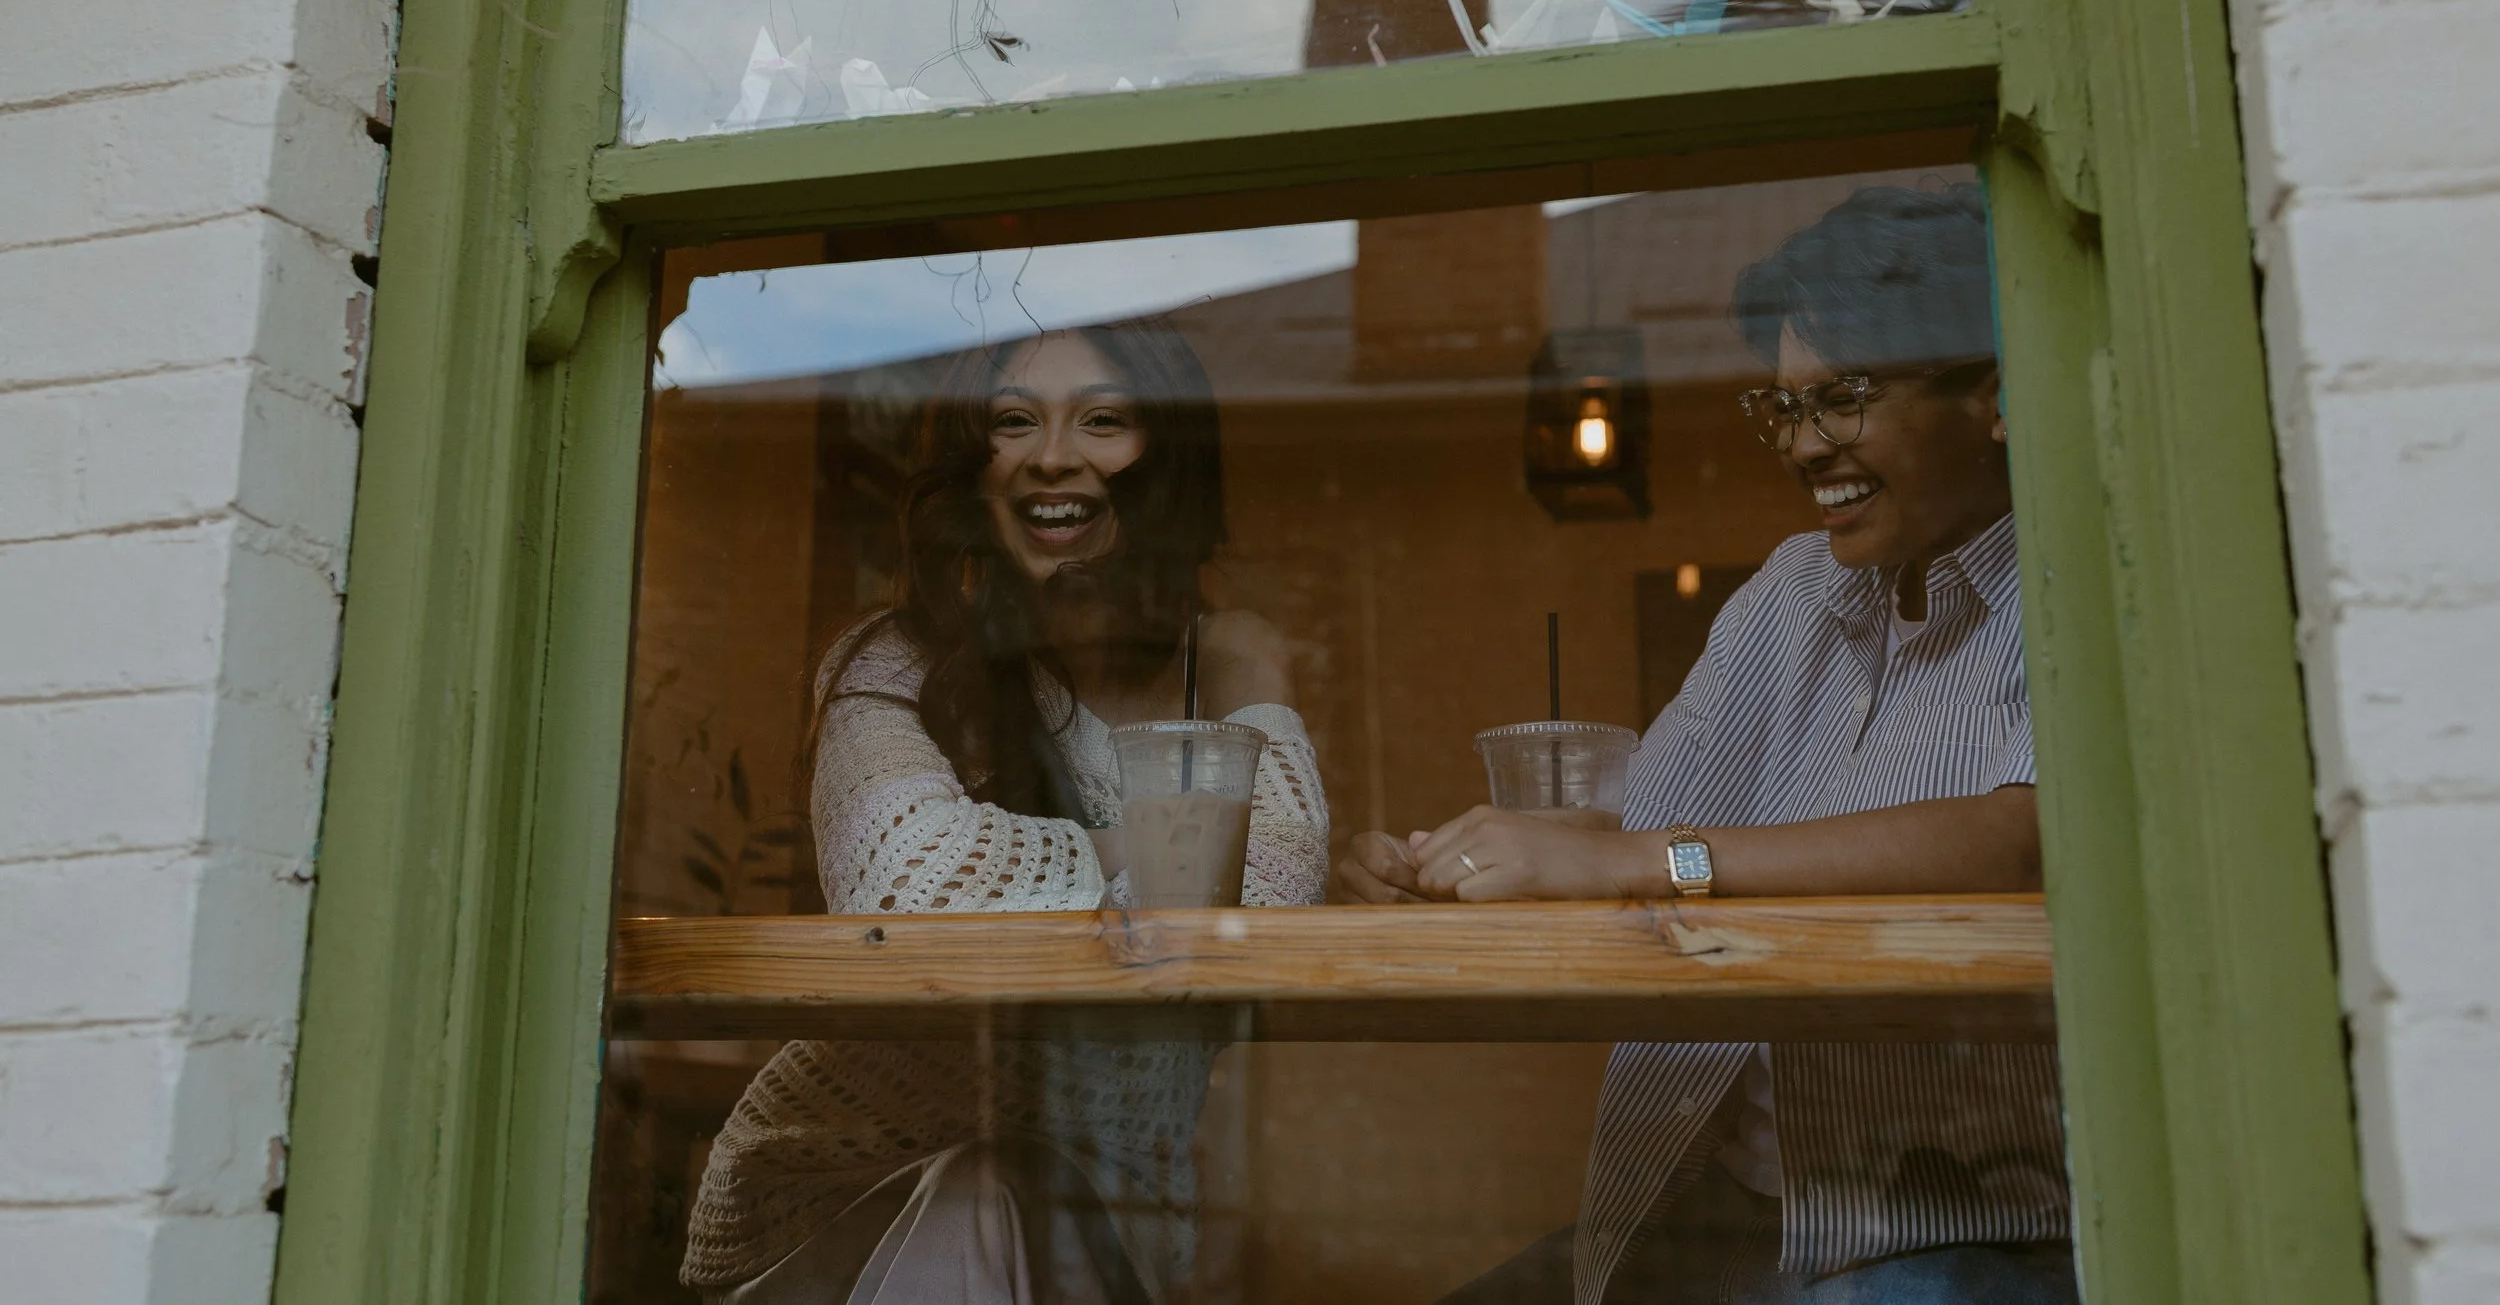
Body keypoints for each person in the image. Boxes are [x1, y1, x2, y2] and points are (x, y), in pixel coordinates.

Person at [1341, 185, 2073, 1305]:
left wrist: (1628, 860)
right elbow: (1646, 829)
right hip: (1720, 1197)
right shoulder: (1790, 590)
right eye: (1781, 408)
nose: (1803, 446)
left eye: (1843, 400)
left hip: (1958, 1226)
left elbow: (2020, 833)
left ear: (1991, 392)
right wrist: (1467, 861)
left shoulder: (2068, 577)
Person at [681, 318, 1330, 1305]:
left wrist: (1256, 674)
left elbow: (1271, 890)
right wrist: (1163, 847)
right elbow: (908, 885)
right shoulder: (895, 662)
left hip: (1101, 1230)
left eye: (1104, 419)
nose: (1052, 455)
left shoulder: (1224, 667)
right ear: (969, 471)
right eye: (1013, 422)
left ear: (1171, 460)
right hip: (837, 1211)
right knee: (988, 1179)